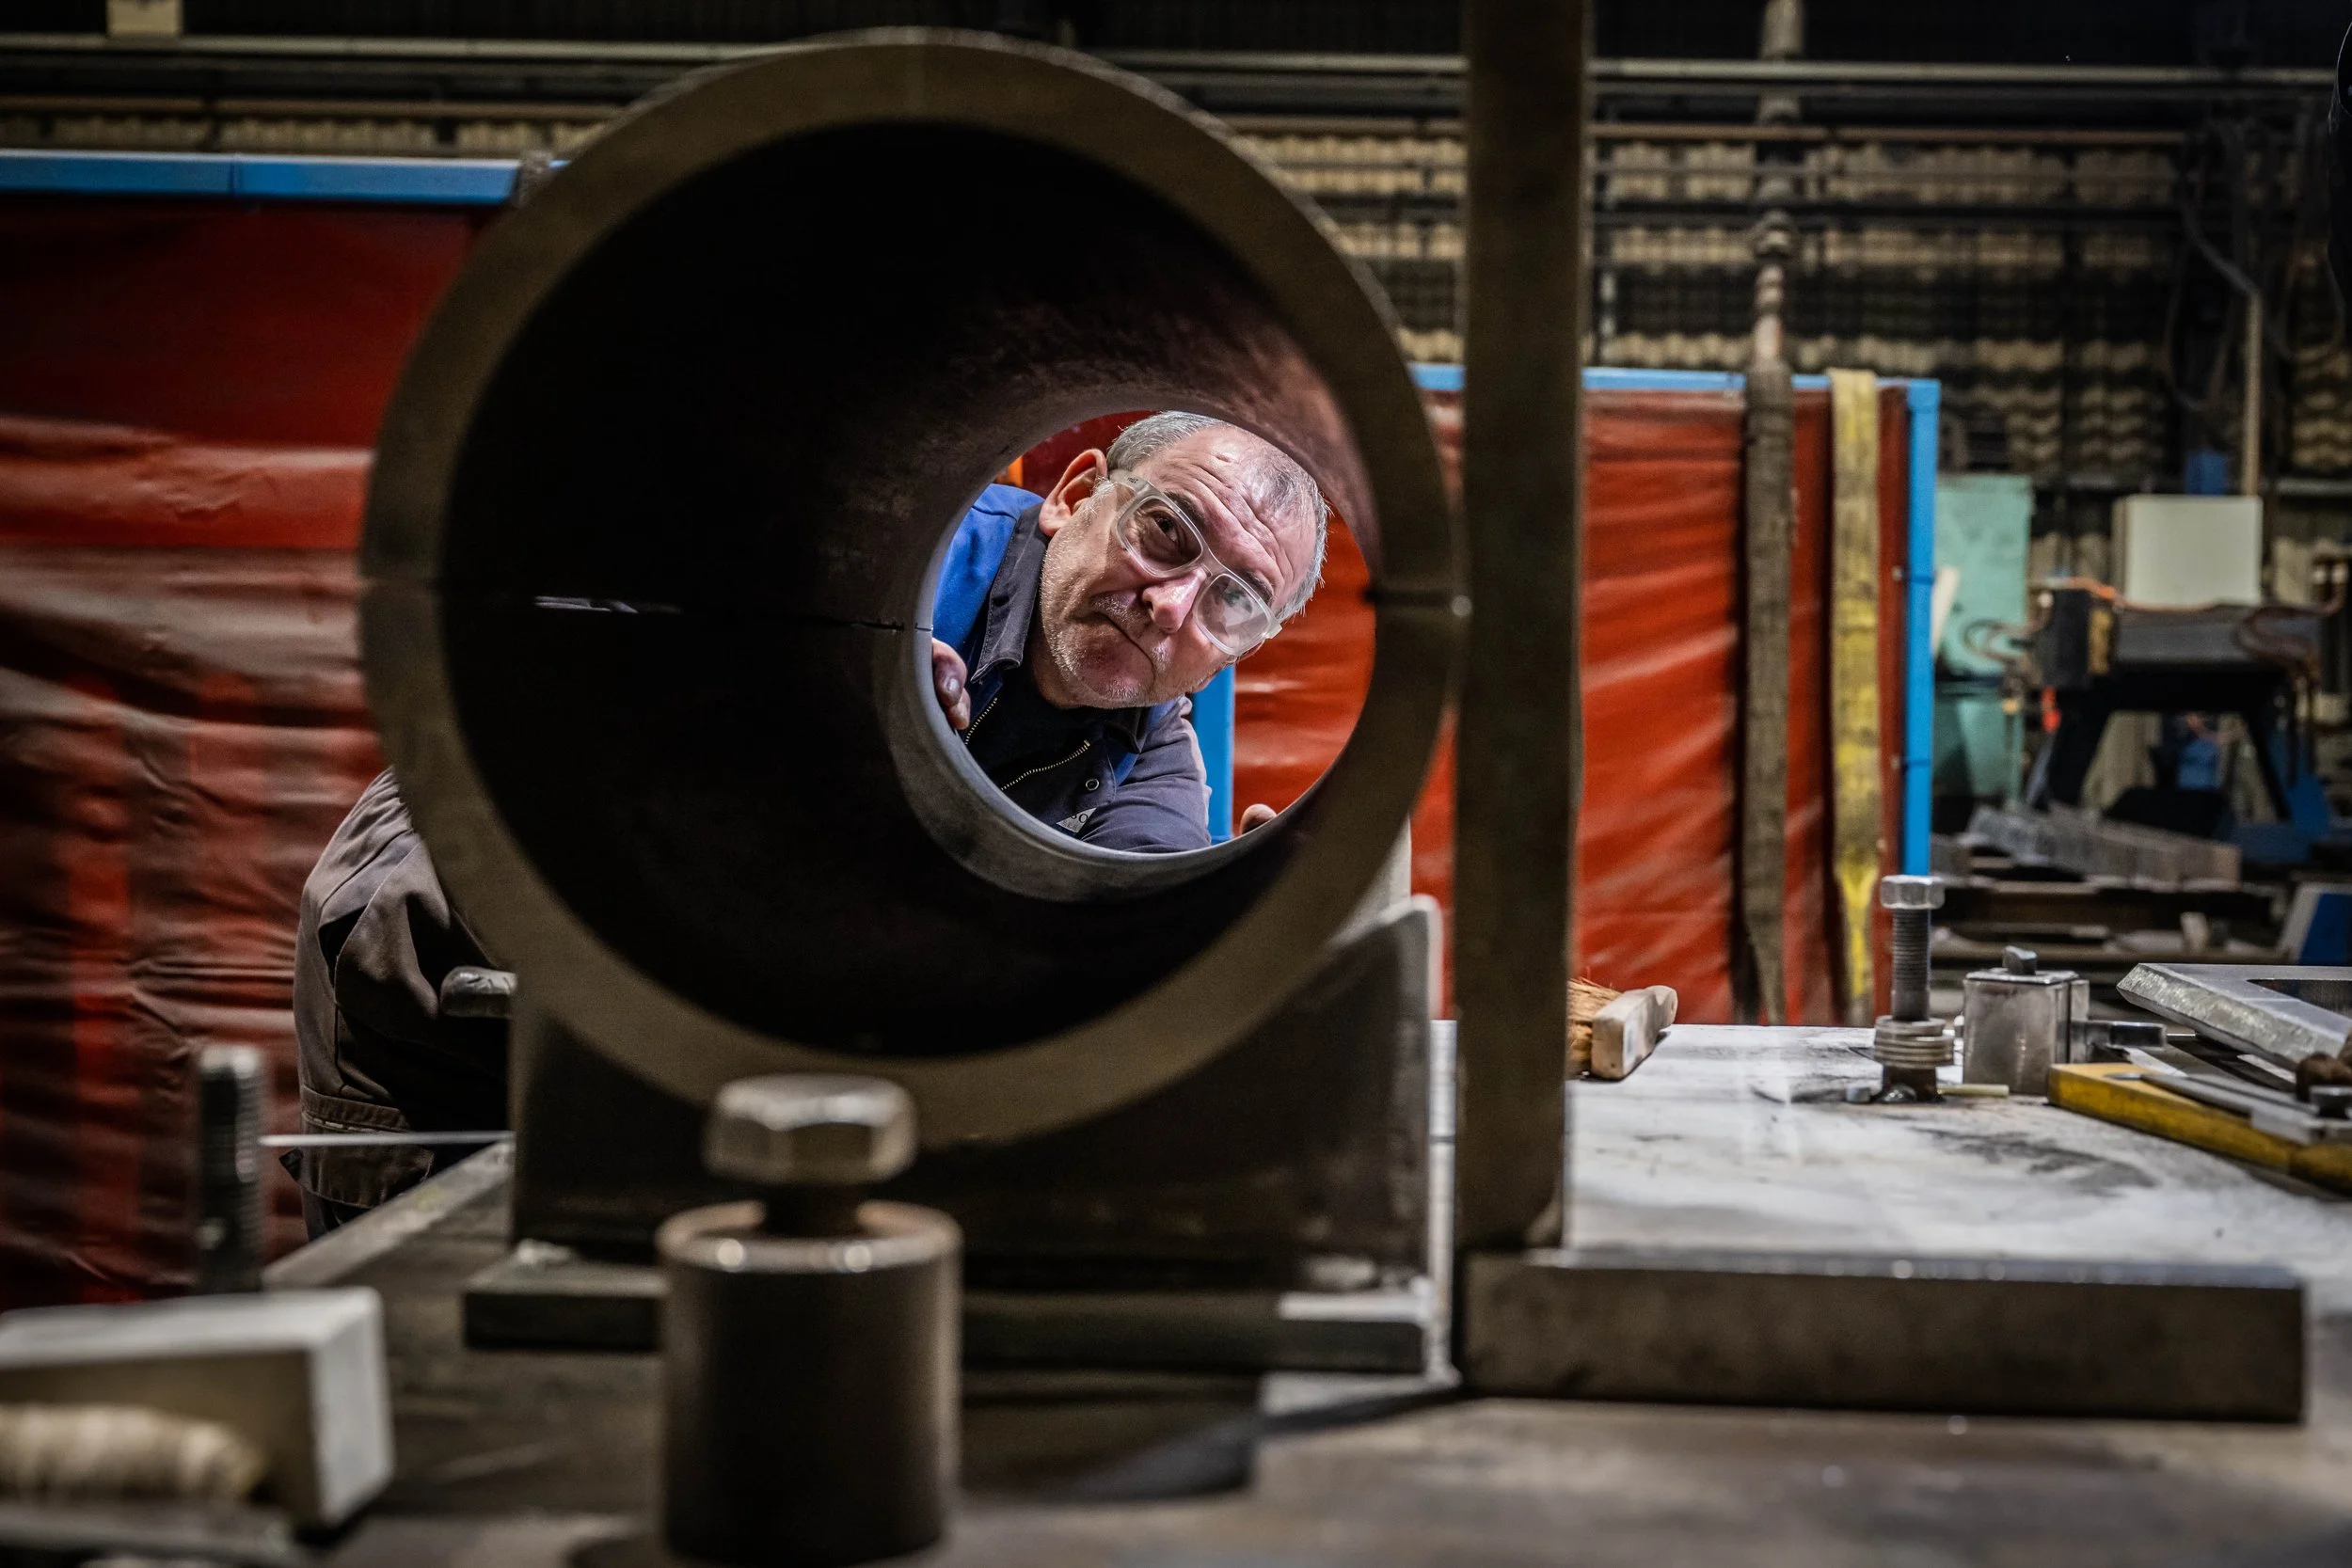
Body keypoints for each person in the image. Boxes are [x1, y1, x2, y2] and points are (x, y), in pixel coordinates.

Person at [288, 412, 1328, 1229]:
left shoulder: (1144, 750)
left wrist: (1241, 923)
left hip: (701, 1001)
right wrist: (770, 685)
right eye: (1165, 532)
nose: (1172, 603)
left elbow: (1138, 960)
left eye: (1234, 598)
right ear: (1073, 494)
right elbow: (539, 650)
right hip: (461, 939)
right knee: (428, 1295)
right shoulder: (875, 544)